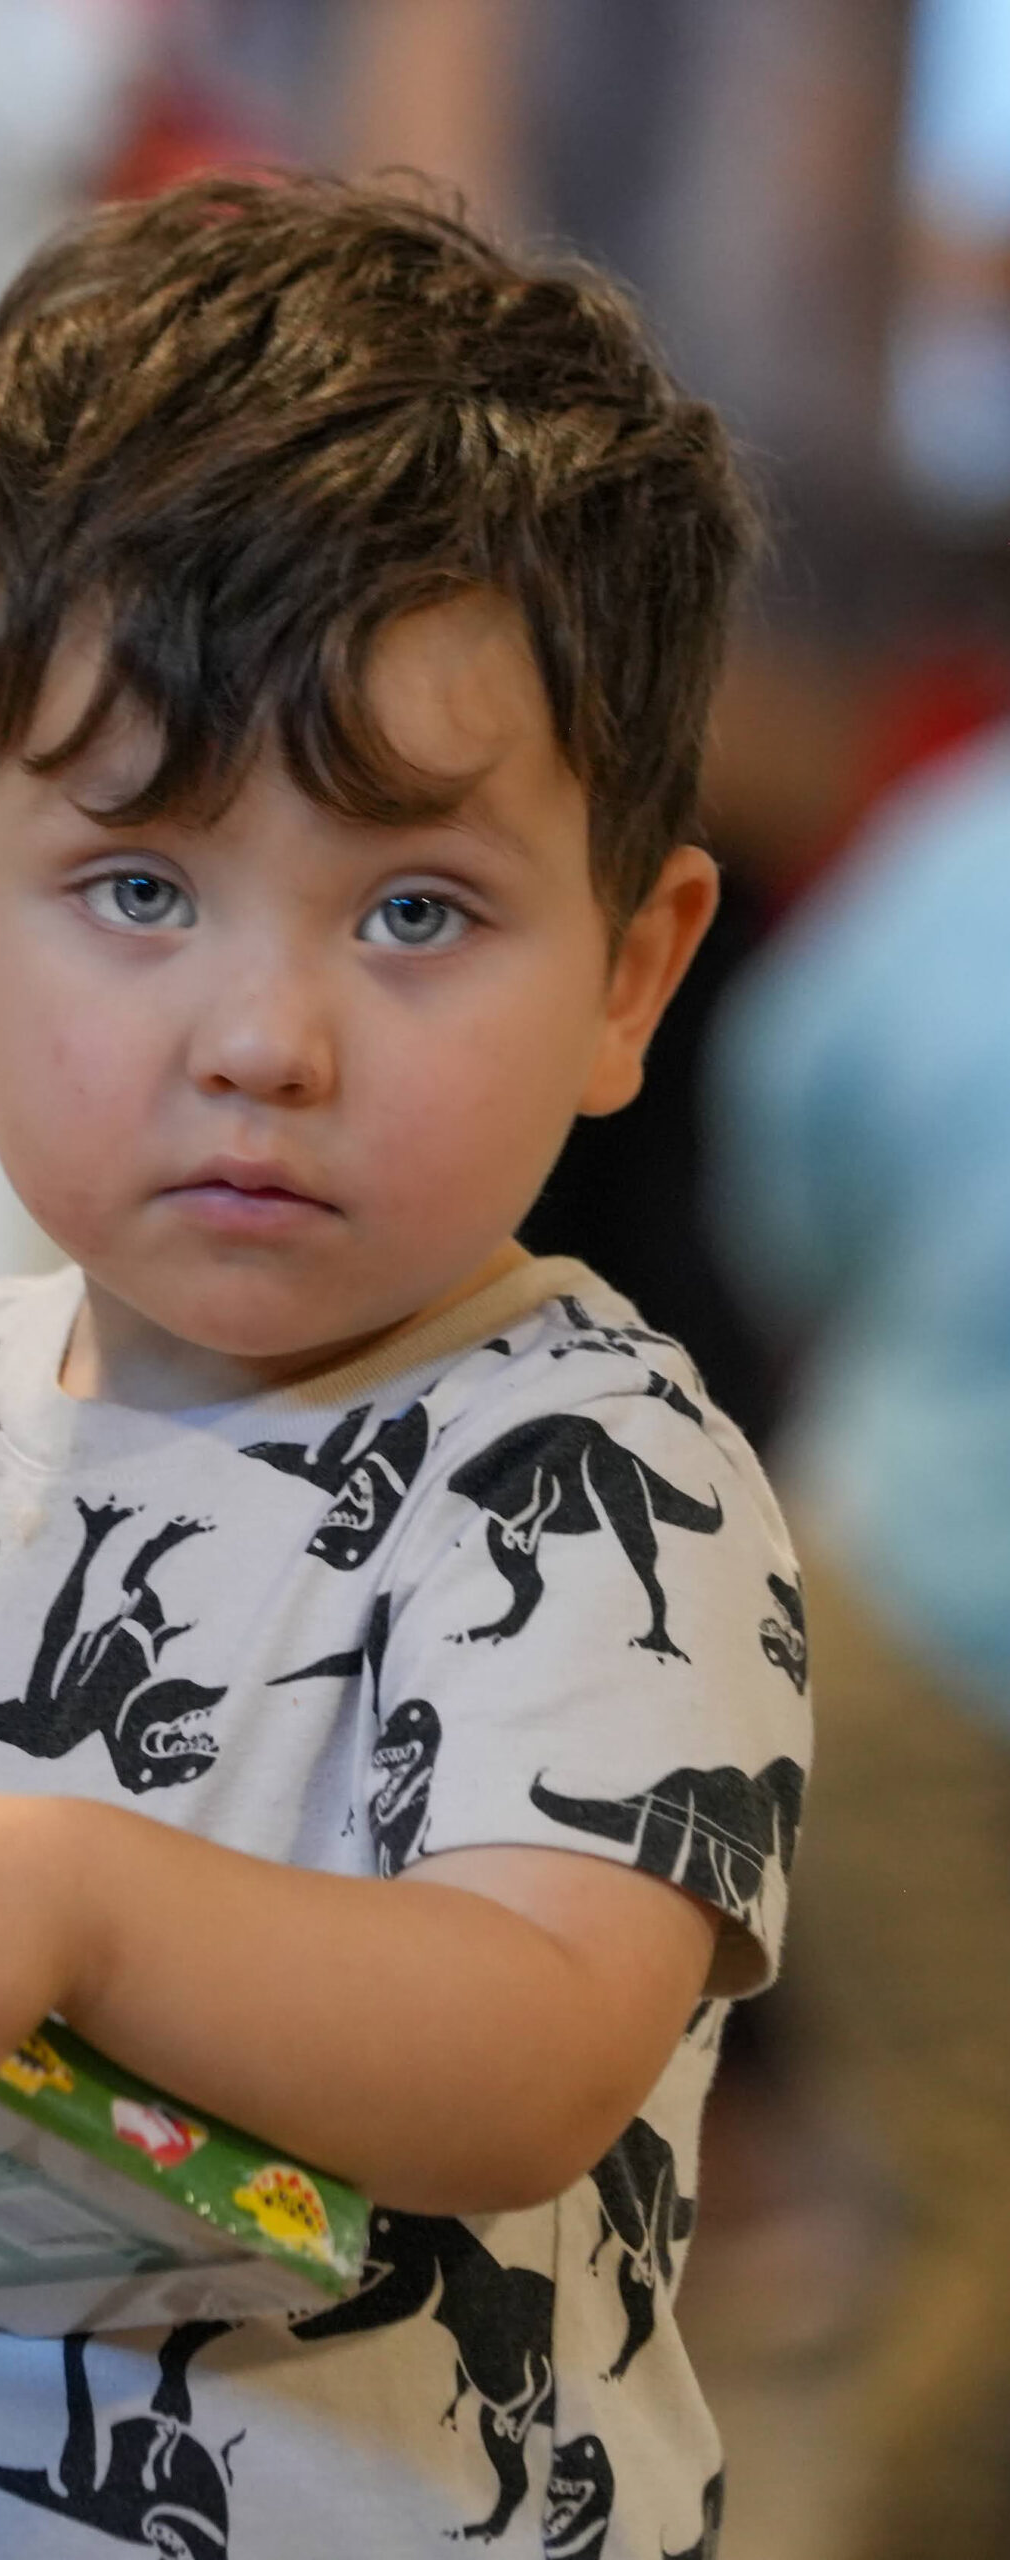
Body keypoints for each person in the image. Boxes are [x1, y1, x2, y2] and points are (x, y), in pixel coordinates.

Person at [0, 172, 810, 2560]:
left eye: (412, 909)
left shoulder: (597, 1467)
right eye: (138, 887)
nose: (262, 1037)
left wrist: (67, 1904)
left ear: (629, 966)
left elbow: (523, 2043)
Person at [708, 721, 1010, 2560]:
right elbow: (781, 1133)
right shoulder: (970, 856)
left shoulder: (960, 844)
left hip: (900, 1549)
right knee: (992, 2231)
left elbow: (789, 1167)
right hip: (927, 1622)